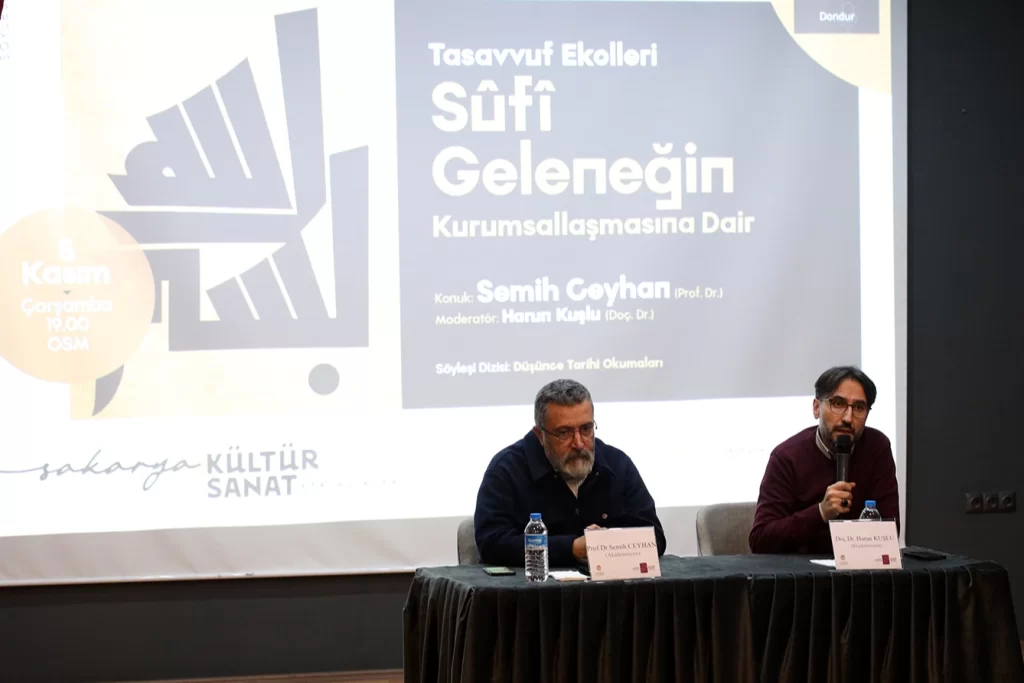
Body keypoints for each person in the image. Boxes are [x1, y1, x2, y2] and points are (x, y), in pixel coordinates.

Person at [474, 379, 667, 567]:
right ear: (540, 435)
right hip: (533, 586)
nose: (579, 444)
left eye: (586, 429)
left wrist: (607, 543)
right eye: (564, 433)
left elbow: (654, 538)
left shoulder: (617, 464)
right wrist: (571, 548)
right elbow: (491, 543)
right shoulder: (507, 469)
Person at [749, 366, 900, 554]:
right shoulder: (787, 457)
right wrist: (821, 512)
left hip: (860, 566)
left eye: (859, 408)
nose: (848, 418)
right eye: (838, 404)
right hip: (802, 569)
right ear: (816, 408)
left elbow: (890, 530)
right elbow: (760, 540)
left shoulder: (877, 448)